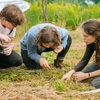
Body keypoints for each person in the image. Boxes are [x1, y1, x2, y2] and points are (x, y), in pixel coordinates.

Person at [62, 19, 100, 89]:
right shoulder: (91, 42)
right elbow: (85, 59)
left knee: (95, 83)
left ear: (96, 35)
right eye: (83, 35)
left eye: (86, 36)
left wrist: (87, 75)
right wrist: (70, 72)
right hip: (98, 63)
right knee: (78, 75)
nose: (83, 38)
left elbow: (87, 75)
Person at [0, 4, 26, 69]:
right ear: (5, 20)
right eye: (14, 24)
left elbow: (11, 40)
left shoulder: (12, 28)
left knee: (18, 60)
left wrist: (10, 46)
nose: (15, 27)